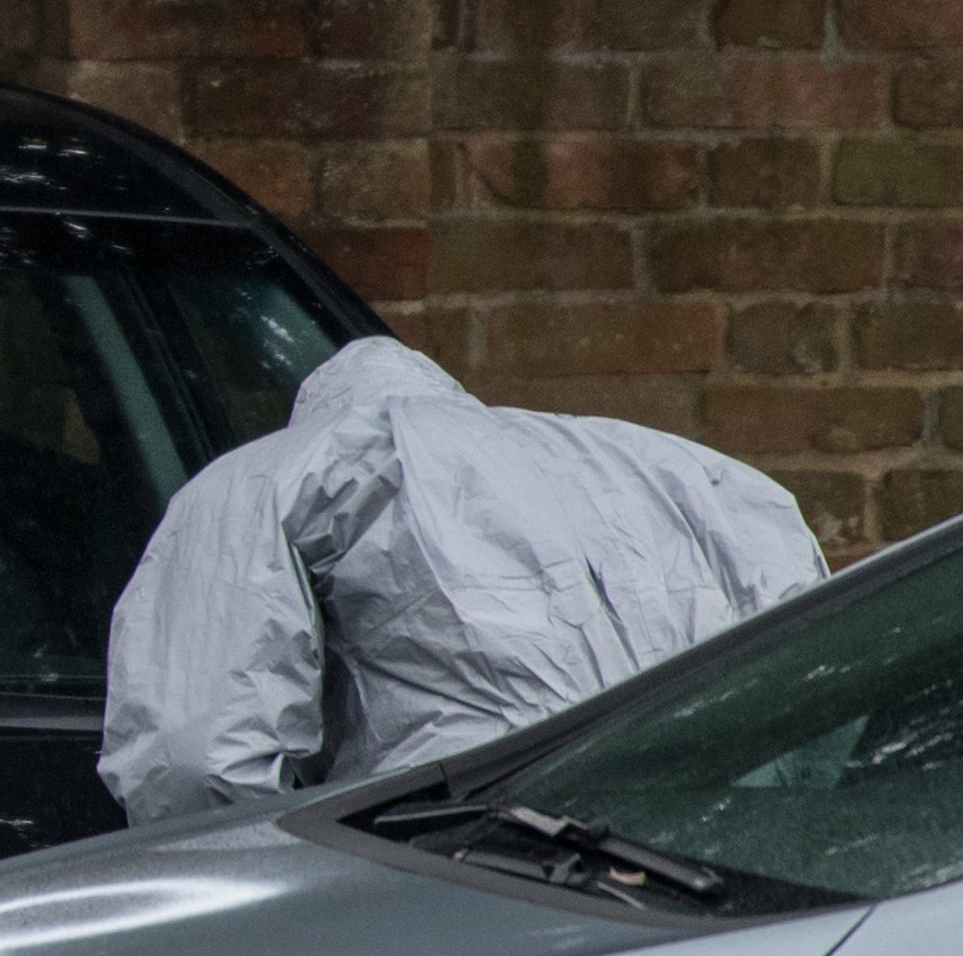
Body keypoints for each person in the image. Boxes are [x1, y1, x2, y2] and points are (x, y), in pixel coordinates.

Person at [97, 335, 828, 822]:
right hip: (708, 883)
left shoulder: (274, 473)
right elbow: (823, 679)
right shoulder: (679, 469)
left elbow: (194, 760)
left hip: (453, 876)